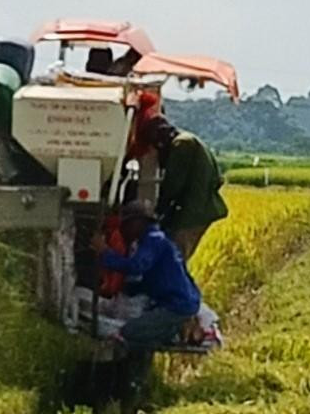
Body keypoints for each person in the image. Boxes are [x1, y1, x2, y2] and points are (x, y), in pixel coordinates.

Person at [93, 201, 201, 348]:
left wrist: (105, 253)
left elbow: (136, 266)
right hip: (183, 301)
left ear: (138, 223)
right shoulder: (159, 239)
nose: (124, 230)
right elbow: (152, 280)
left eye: (127, 224)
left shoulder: (153, 240)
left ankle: (177, 330)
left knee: (129, 332)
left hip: (175, 305)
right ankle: (175, 329)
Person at [141, 116, 228, 261]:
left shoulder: (182, 144)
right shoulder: (189, 140)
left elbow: (173, 184)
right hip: (199, 209)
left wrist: (157, 212)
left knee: (175, 259)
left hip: (193, 213)